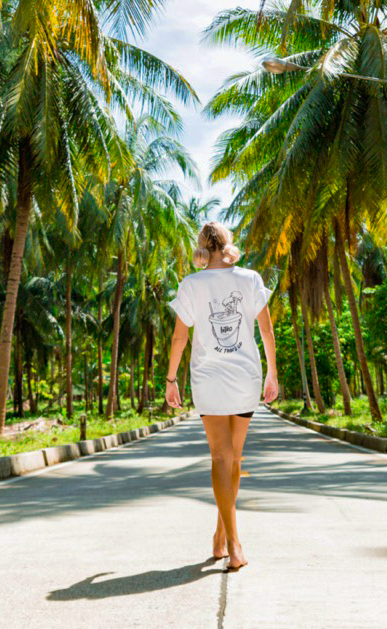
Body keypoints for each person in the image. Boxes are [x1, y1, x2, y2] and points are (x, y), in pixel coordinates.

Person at [164, 222, 278, 572]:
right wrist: (272, 372)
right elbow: (266, 328)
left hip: (208, 377)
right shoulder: (250, 278)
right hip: (245, 375)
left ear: (201, 246)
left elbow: (180, 338)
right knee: (235, 458)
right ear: (228, 244)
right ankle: (224, 538)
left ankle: (232, 542)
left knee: (220, 458)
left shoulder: (191, 284)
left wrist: (171, 379)